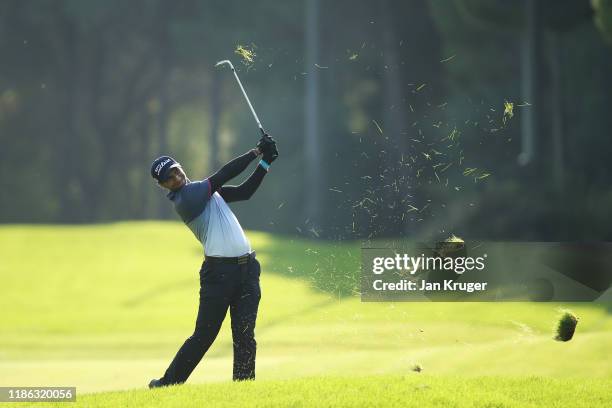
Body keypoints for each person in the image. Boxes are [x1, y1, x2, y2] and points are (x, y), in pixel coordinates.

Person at [148, 134, 278, 388]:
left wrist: (266, 162)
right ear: (164, 186)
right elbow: (223, 175)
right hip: (219, 275)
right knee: (204, 336)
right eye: (168, 179)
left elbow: (244, 192)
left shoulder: (204, 191)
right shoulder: (186, 198)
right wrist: (255, 153)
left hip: (247, 269)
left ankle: (243, 389)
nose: (176, 178)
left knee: (244, 335)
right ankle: (167, 383)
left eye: (175, 171)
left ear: (180, 167)